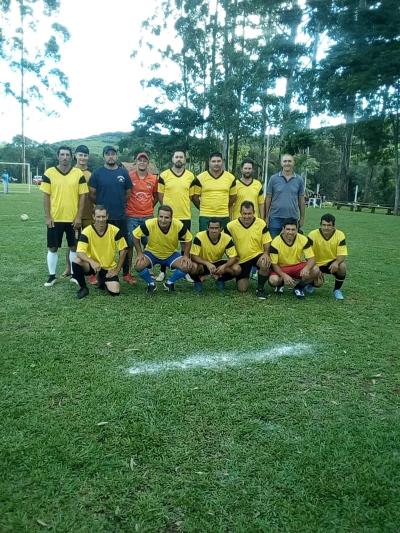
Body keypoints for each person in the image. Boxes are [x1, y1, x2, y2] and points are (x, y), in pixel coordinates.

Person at [40, 145, 88, 287]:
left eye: (67, 155)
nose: (65, 157)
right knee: (53, 248)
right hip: (55, 219)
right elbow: (46, 197)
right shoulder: (49, 173)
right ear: (58, 156)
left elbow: (83, 196)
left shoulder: (78, 173)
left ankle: (74, 275)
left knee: (74, 247)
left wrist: (79, 216)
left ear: (71, 156)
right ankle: (52, 276)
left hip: (73, 220)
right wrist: (48, 216)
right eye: (62, 154)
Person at [89, 146, 134, 285]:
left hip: (120, 216)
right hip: (102, 218)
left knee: (123, 246)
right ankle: (94, 273)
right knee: (97, 245)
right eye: (107, 154)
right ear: (104, 156)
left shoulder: (123, 173)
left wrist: (118, 203)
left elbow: (128, 193)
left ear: (116, 156)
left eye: (113, 154)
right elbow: (92, 194)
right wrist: (101, 209)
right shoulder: (97, 173)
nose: (110, 157)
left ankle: (126, 273)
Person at [156, 149, 196, 282]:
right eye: (176, 157)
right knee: (165, 244)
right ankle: (162, 272)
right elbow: (160, 195)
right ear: (172, 159)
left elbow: (191, 195)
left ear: (184, 159)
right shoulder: (164, 175)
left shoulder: (190, 176)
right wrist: (166, 211)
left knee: (185, 245)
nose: (179, 159)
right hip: (168, 217)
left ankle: (185, 270)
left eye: (181, 157)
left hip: (184, 215)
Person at [133, 205, 192, 294]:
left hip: (170, 254)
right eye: (161, 217)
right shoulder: (150, 223)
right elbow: (135, 235)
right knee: (138, 265)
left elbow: (189, 238)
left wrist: (186, 255)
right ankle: (151, 284)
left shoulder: (178, 225)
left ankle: (170, 283)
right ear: (157, 216)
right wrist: (140, 253)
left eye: (166, 217)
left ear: (171, 218)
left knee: (187, 266)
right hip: (151, 253)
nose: (163, 220)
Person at [73, 205, 128, 299]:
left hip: (108, 267)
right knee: (77, 260)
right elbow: (79, 252)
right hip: (92, 266)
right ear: (93, 217)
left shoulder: (115, 230)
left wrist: (117, 269)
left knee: (115, 291)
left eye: (103, 216)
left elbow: (124, 250)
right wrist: (91, 261)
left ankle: (101, 280)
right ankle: (83, 288)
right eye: (98, 216)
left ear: (107, 217)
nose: (101, 219)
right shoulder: (87, 231)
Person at [225, 201, 272, 299]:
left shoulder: (261, 223)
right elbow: (225, 243)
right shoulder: (231, 226)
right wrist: (232, 257)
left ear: (254, 212)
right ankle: (245, 274)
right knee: (242, 289)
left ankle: (260, 289)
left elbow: (267, 241)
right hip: (241, 259)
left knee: (265, 262)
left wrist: (266, 253)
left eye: (249, 213)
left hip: (256, 255)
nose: (247, 216)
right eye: (244, 213)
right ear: (240, 213)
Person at [62, 145, 93, 279]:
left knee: (89, 242)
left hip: (89, 213)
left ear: (88, 157)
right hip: (73, 214)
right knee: (72, 243)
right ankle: (69, 268)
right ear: (75, 156)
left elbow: (93, 194)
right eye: (80, 155)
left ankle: (89, 268)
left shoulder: (91, 174)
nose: (82, 158)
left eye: (85, 155)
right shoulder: (70, 172)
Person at [125, 152, 158, 279]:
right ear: (136, 162)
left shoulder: (153, 178)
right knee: (130, 244)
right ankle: (128, 271)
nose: (142, 162)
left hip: (147, 216)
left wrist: (149, 206)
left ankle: (148, 268)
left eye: (145, 160)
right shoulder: (129, 176)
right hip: (131, 216)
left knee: (148, 243)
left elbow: (155, 196)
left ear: (148, 163)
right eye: (140, 160)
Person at [268, 218, 319, 299]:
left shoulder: (303, 239)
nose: (290, 232)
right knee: (273, 280)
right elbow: (274, 264)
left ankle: (299, 288)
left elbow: (312, 258)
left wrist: (307, 268)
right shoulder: (275, 242)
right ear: (283, 229)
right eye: (288, 229)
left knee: (316, 270)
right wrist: (284, 275)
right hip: (282, 268)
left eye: (293, 229)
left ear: (297, 230)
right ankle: (280, 285)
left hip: (297, 266)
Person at [190, 218, 241, 293]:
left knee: (237, 269)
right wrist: (207, 263)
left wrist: (225, 266)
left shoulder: (227, 238)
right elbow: (193, 256)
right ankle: (197, 282)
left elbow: (233, 257)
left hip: (217, 263)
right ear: (208, 228)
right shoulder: (199, 236)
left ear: (221, 229)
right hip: (203, 264)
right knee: (193, 267)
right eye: (211, 228)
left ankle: (220, 280)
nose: (214, 230)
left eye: (216, 228)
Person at [192, 151, 237, 231]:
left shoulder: (231, 178)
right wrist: (203, 208)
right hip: (205, 215)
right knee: (205, 240)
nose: (216, 163)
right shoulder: (200, 178)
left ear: (222, 162)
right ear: (209, 162)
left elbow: (233, 197)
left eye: (219, 161)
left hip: (223, 215)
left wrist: (223, 206)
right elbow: (195, 197)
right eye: (213, 161)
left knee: (224, 241)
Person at [307, 213, 348, 300]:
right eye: (324, 225)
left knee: (342, 266)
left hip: (331, 263)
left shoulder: (340, 235)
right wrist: (314, 266)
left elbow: (342, 253)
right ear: (320, 224)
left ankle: (337, 290)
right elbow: (308, 254)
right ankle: (311, 285)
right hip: (316, 263)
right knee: (318, 283)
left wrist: (337, 262)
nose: (326, 228)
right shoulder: (312, 234)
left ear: (334, 226)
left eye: (329, 225)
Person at [265, 153, 305, 237]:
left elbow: (301, 199)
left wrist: (302, 217)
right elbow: (268, 198)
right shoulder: (273, 179)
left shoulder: (299, 180)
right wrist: (266, 217)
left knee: (290, 245)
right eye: (285, 161)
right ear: (281, 163)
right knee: (274, 244)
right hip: (275, 217)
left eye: (289, 161)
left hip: (292, 218)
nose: (287, 163)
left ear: (293, 163)